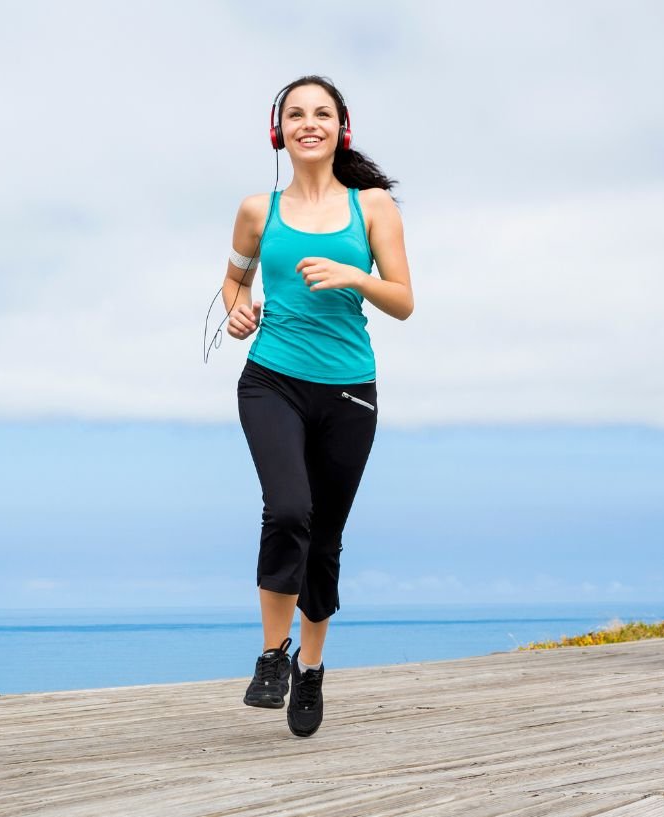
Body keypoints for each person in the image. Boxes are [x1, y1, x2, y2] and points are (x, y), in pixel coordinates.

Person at [222, 75, 413, 737]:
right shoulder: (257, 210)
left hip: (350, 390)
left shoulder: (374, 207)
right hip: (271, 379)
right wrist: (238, 310)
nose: (309, 123)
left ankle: (311, 667)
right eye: (296, 114)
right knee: (290, 509)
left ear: (341, 128)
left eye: (322, 113)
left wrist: (355, 274)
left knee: (324, 536)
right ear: (279, 131)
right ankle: (272, 655)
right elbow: (233, 278)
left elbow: (403, 300)